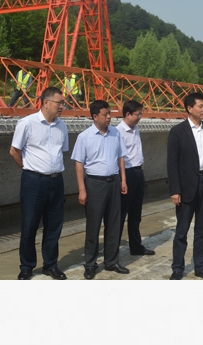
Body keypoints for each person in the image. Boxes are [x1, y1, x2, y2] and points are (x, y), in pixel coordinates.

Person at [9, 87, 69, 280]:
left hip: (56, 181)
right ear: (46, 102)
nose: (62, 106)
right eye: (59, 102)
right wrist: (28, 168)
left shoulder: (62, 126)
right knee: (30, 225)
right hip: (34, 182)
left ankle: (50, 265)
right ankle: (27, 266)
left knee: (54, 225)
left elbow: (62, 151)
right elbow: (14, 151)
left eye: (63, 103)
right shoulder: (27, 123)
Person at [167, 92, 203, 280]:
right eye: (201, 106)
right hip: (186, 187)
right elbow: (172, 163)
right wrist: (175, 190)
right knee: (181, 231)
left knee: (202, 230)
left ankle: (201, 267)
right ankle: (177, 268)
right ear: (189, 108)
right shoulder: (177, 131)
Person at [71, 100, 128, 280]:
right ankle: (90, 264)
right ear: (95, 117)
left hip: (113, 183)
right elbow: (79, 165)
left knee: (114, 224)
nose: (109, 117)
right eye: (105, 114)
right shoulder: (84, 137)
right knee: (93, 226)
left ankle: (111, 261)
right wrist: (82, 189)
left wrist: (123, 180)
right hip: (95, 184)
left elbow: (121, 157)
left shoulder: (115, 133)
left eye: (110, 113)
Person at [117, 100, 155, 257]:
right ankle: (113, 250)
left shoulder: (135, 129)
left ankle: (136, 246)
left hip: (138, 172)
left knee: (135, 213)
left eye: (141, 114)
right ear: (128, 114)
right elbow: (118, 157)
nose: (140, 117)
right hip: (127, 173)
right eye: (138, 114)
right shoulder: (118, 132)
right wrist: (122, 179)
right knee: (120, 214)